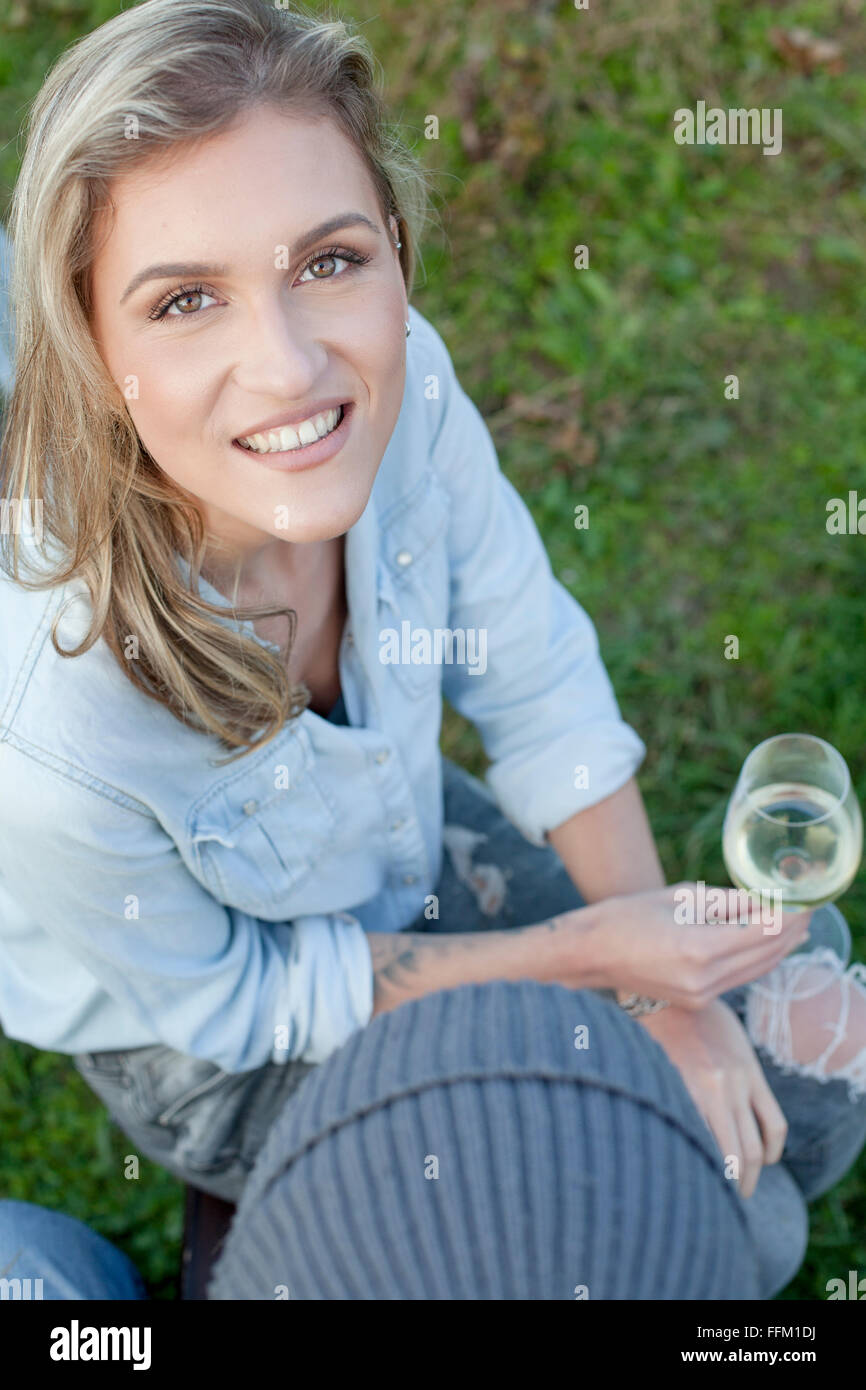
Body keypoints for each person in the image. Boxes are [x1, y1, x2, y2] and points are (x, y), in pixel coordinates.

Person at [1, 0, 865, 1302]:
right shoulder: (51, 723)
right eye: (186, 300)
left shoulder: (401, 382)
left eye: (329, 262)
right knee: (742, 1238)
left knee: (814, 1098)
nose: (288, 366)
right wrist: (600, 957)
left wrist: (674, 991)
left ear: (396, 254)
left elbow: (532, 673)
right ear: (90, 344)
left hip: (392, 867)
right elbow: (240, 1009)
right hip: (219, 1041)